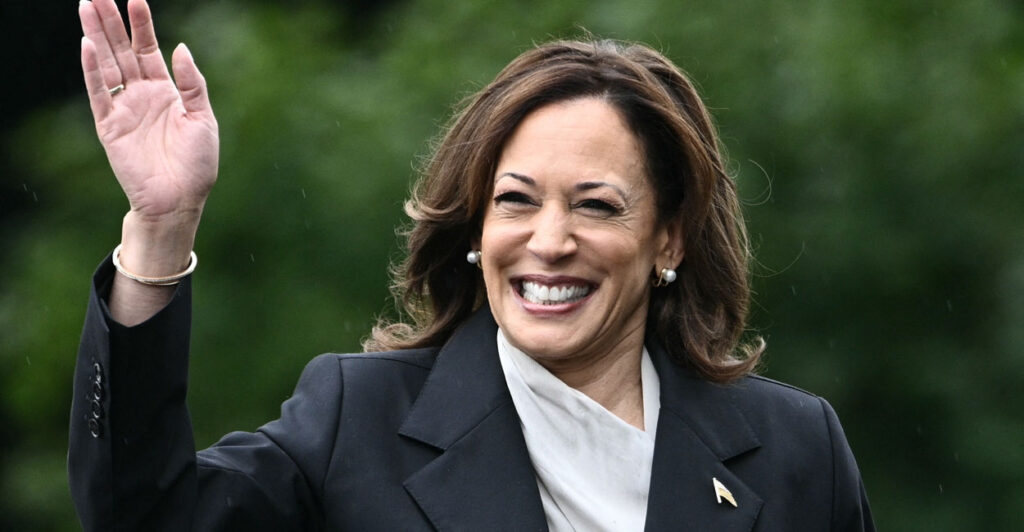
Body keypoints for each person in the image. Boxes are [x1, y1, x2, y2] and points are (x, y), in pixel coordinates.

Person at [69, 0, 875, 530]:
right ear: (475, 226)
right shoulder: (361, 422)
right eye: (516, 201)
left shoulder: (794, 447)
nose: (549, 241)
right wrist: (161, 228)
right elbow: (145, 516)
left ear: (670, 239)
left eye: (596, 205)